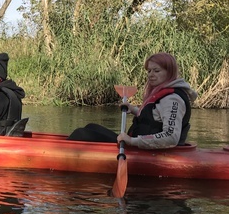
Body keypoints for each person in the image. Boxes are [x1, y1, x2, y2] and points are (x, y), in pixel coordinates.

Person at [67, 52, 198, 149]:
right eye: (149, 71)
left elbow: (171, 137)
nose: (151, 74)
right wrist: (134, 109)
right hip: (138, 145)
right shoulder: (165, 93)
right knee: (91, 127)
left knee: (81, 133)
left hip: (149, 151)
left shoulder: (172, 99)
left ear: (169, 72)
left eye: (156, 71)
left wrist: (131, 141)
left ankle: (63, 156)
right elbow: (154, 117)